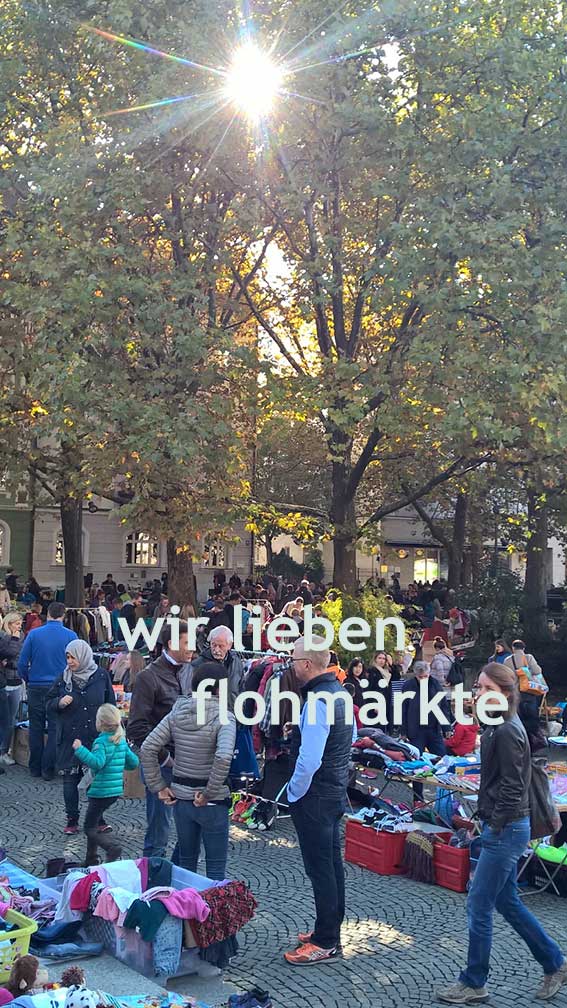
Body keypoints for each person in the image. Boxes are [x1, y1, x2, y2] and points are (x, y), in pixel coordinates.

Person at [438, 662, 567, 1004]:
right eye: (478, 687)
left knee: (479, 904)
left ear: (505, 694)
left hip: (507, 829)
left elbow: (513, 786)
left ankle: (474, 981)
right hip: (505, 826)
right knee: (506, 901)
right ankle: (554, 961)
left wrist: (493, 822)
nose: (478, 693)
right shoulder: (496, 726)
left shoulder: (508, 730)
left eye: (485, 688)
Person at [283, 636, 354, 966]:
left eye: (294, 660)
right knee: (330, 866)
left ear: (308, 664)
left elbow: (309, 759)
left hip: (315, 795)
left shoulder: (317, 701)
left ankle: (326, 940)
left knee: (321, 868)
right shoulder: (340, 694)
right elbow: (344, 742)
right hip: (334, 790)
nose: (291, 666)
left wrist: (294, 792)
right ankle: (328, 932)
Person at [141, 660, 236, 880]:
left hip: (182, 798)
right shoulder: (225, 717)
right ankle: (211, 913)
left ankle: (183, 912)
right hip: (212, 802)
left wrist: (159, 787)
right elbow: (223, 757)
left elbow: (148, 747)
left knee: (186, 866)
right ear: (220, 688)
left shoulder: (177, 712)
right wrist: (209, 793)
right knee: (215, 871)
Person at [128, 622, 193, 857]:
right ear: (170, 644)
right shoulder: (148, 677)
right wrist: (166, 758)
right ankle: (153, 881)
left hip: (186, 760)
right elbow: (136, 728)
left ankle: (176, 877)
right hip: (160, 764)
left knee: (190, 826)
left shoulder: (188, 669)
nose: (192, 648)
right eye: (187, 643)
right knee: (159, 831)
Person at [47, 640, 115, 835]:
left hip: (95, 737)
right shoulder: (63, 679)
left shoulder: (101, 676)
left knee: (97, 780)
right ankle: (72, 819)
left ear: (83, 656)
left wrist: (113, 730)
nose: (69, 661)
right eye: (67, 657)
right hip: (70, 737)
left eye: (73, 657)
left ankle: (97, 818)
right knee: (70, 779)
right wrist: (59, 703)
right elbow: (48, 703)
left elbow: (109, 703)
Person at [73, 703, 139, 865]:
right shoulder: (121, 741)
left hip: (100, 790)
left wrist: (80, 749)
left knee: (89, 827)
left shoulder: (100, 742)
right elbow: (133, 763)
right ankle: (91, 859)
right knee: (94, 823)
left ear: (100, 722)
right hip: (115, 790)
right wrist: (118, 763)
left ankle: (111, 847)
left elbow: (97, 763)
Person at [17, 602, 77, 780]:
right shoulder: (70, 635)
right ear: (63, 616)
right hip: (58, 687)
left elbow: (22, 663)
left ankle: (34, 767)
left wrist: (29, 679)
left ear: (47, 613)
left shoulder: (34, 634)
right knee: (54, 728)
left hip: (36, 685)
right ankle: (48, 769)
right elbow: (75, 663)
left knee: (35, 726)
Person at [189, 626, 244, 710]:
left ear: (229, 645)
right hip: (209, 717)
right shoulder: (197, 665)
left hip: (233, 715)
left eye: (221, 646)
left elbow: (241, 689)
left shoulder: (236, 662)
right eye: (213, 645)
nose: (216, 650)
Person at [0, 612, 24, 765]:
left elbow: (19, 657)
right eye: (16, 624)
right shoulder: (4, 637)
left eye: (20, 624)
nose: (19, 627)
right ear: (9, 624)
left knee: (12, 719)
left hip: (16, 680)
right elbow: (10, 653)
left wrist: (9, 663)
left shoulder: (21, 637)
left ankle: (5, 749)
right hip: (4, 681)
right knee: (5, 718)